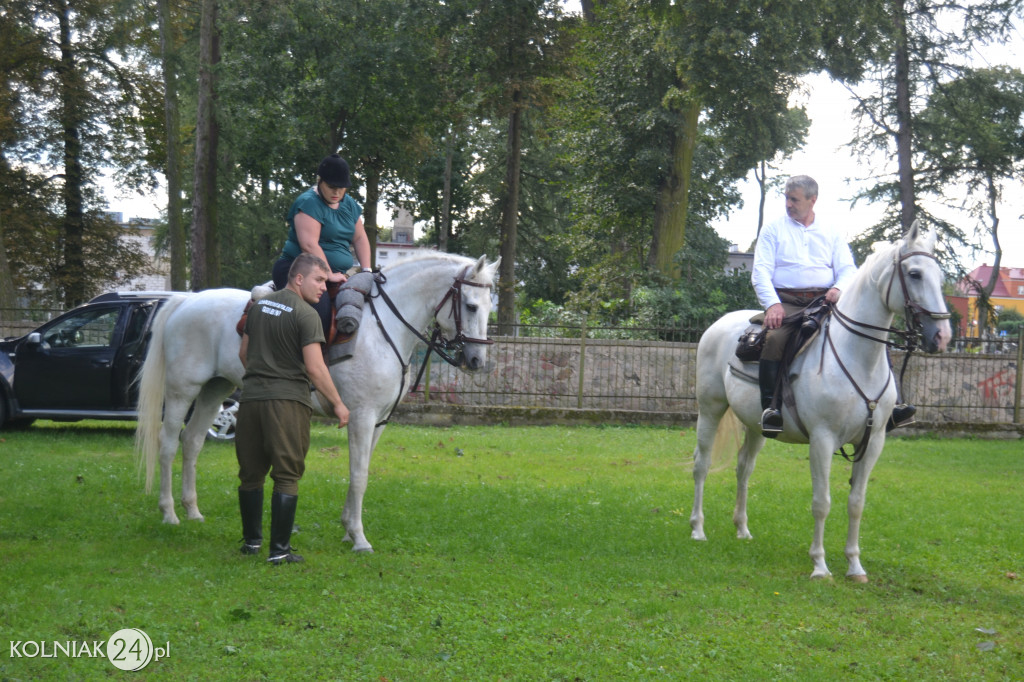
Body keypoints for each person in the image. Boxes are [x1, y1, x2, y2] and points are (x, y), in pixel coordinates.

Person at [236, 253, 350, 564]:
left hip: (250, 401)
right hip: (286, 403)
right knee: (287, 474)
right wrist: (338, 404)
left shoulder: (258, 306)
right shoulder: (306, 314)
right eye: (318, 280)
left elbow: (244, 353)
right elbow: (315, 368)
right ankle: (279, 551)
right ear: (298, 278)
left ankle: (252, 543)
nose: (323, 288)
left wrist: (263, 377)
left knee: (251, 474)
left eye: (326, 282)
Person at [751, 175, 857, 436]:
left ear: (813, 200)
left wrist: (837, 288)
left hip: (823, 302)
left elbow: (847, 269)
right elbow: (760, 273)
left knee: (865, 333)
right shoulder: (773, 229)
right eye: (786, 198)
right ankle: (770, 410)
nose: (788, 204)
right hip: (786, 302)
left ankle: (889, 404)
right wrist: (773, 305)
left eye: (794, 199)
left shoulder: (831, 231)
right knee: (774, 339)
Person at [272, 153, 373, 337]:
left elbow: (360, 238)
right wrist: (328, 274)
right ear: (319, 181)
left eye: (342, 188)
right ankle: (307, 363)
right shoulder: (308, 203)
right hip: (298, 270)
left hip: (338, 274)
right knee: (320, 313)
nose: (337, 193)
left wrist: (367, 271)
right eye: (332, 187)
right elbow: (309, 245)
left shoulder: (349, 204)